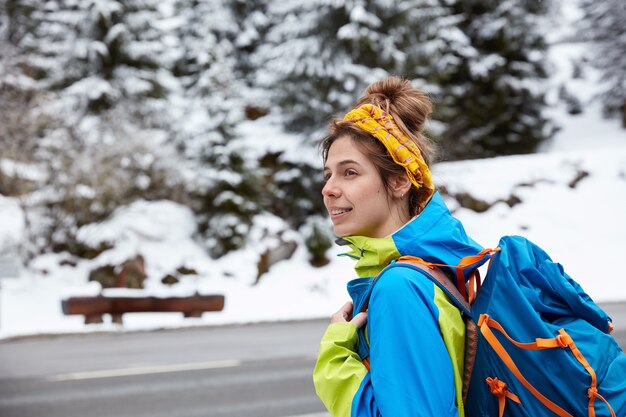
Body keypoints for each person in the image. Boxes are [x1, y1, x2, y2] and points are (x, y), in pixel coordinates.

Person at [313, 76, 484, 417]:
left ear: (399, 180)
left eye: (349, 173)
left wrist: (335, 357)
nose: (329, 189)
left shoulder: (400, 287)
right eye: (327, 175)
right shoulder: (438, 267)